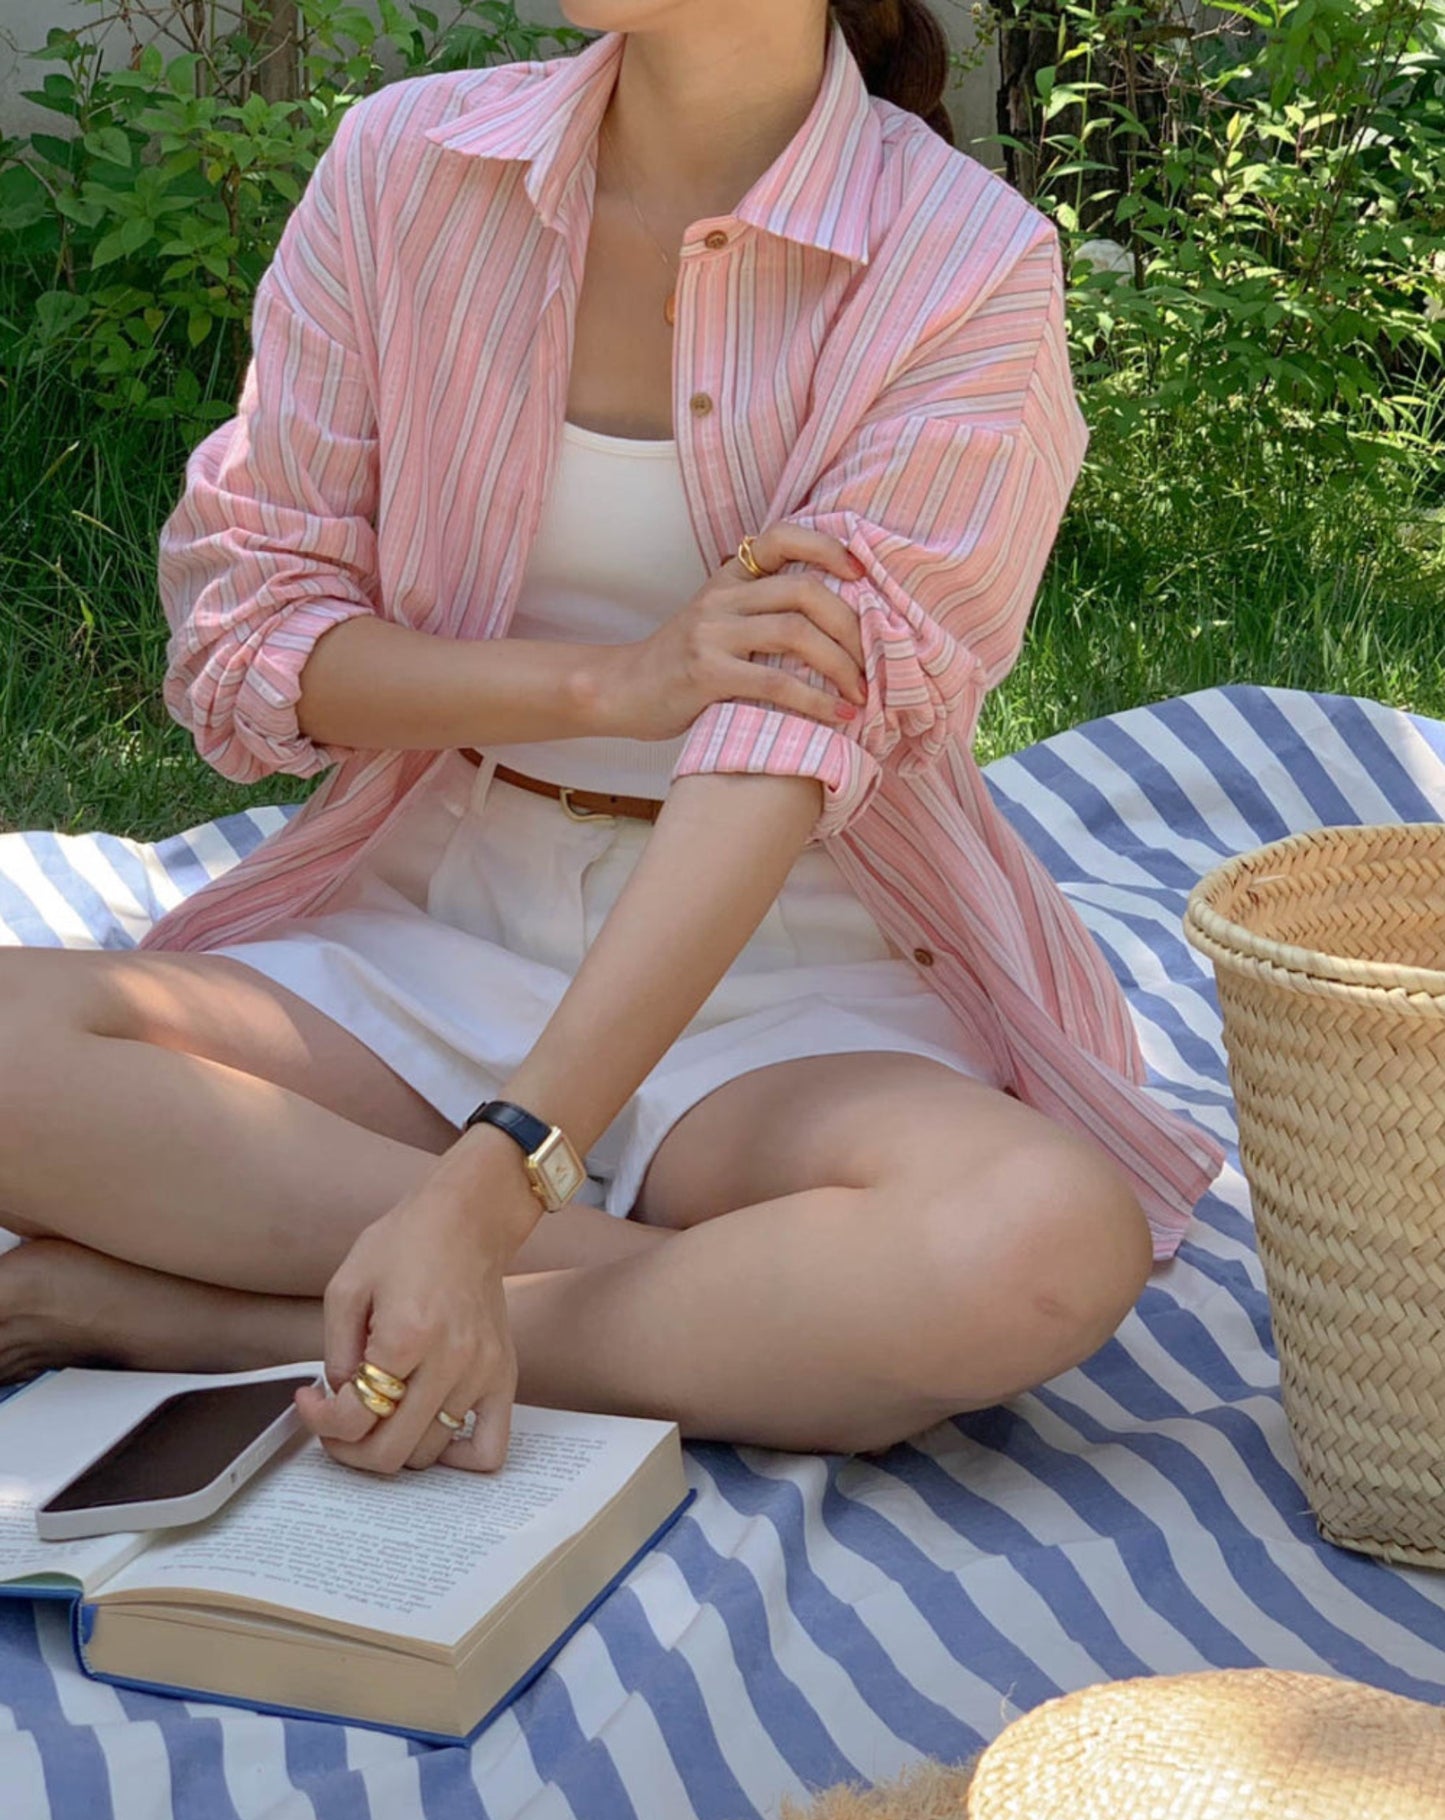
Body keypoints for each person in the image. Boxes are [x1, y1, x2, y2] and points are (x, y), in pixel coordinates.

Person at [0, 0, 1225, 1478]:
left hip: (782, 968)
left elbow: (786, 743)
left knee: (1030, 1245)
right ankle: (672, 1303)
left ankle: (206, 1322)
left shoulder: (961, 262)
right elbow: (254, 629)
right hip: (444, 913)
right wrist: (604, 689)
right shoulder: (408, 166)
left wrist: (487, 1187)